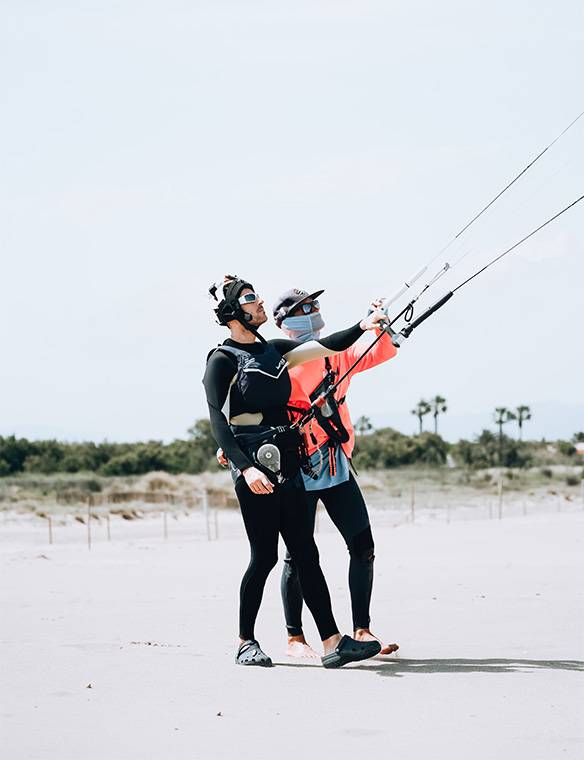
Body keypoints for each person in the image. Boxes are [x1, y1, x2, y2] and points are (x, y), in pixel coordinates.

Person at [202, 275, 387, 668]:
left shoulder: (276, 351)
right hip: (254, 465)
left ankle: (334, 643)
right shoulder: (222, 359)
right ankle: (245, 640)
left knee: (305, 551)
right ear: (233, 312)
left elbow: (326, 345)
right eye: (251, 298)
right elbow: (217, 421)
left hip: (289, 460)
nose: (260, 302)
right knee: (265, 557)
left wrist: (364, 325)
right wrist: (245, 467)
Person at [271, 287, 400, 658]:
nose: (313, 310)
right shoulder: (279, 356)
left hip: (335, 461)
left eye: (314, 304)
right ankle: (295, 638)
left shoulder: (337, 353)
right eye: (303, 308)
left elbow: (370, 351)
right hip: (296, 466)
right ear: (285, 320)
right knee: (298, 555)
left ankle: (362, 629)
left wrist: (380, 323)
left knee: (364, 547)